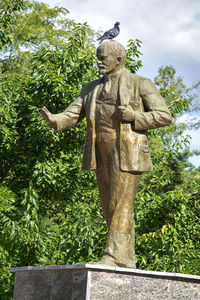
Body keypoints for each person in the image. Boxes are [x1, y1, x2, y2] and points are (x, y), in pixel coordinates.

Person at [40, 41, 172, 268]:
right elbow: (72, 114)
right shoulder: (90, 87)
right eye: (97, 57)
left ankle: (112, 257)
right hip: (99, 150)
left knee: (120, 204)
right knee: (109, 207)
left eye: (103, 58)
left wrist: (134, 116)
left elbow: (164, 116)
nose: (99, 61)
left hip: (127, 151)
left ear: (119, 60)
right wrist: (55, 120)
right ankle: (125, 259)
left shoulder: (140, 83)